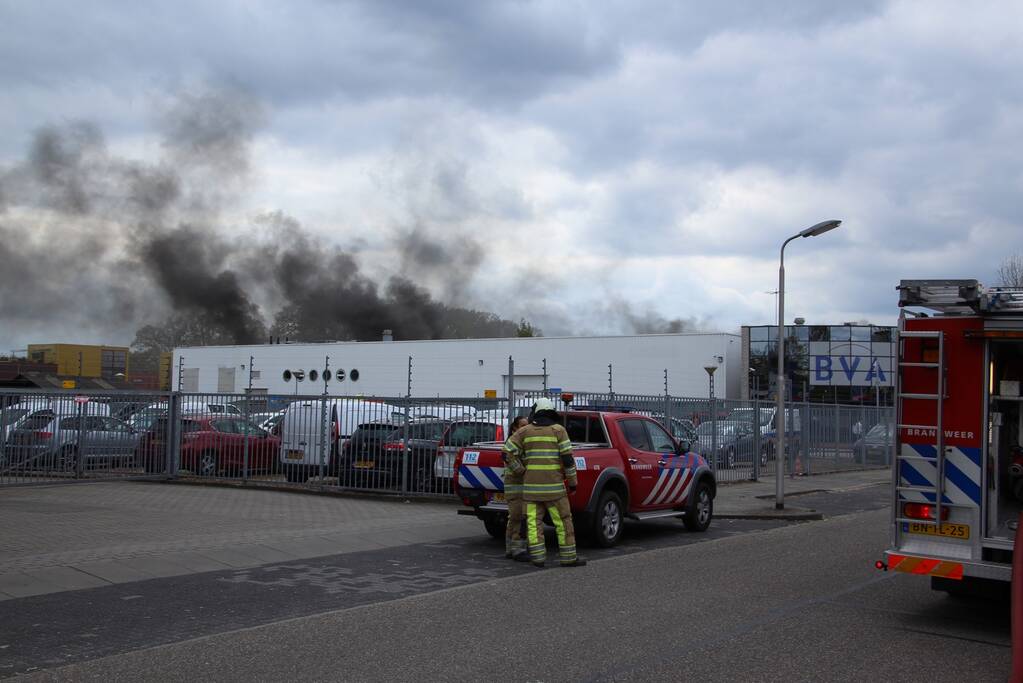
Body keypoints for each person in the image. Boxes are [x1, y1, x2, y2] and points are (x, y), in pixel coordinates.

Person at [503, 398, 586, 568]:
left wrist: (521, 471)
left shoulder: (524, 431)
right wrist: (573, 483)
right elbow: (568, 460)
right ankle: (568, 557)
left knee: (533, 524)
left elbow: (506, 453)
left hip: (531, 491)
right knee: (563, 521)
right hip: (555, 491)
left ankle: (538, 558)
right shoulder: (559, 431)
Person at [501, 415, 530, 559]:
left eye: (527, 425)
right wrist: (522, 471)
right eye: (523, 426)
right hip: (516, 484)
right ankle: (517, 550)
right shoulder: (514, 441)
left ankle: (511, 549)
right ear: (514, 428)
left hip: (522, 485)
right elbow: (506, 455)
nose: (526, 428)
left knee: (516, 517)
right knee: (517, 516)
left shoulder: (523, 440)